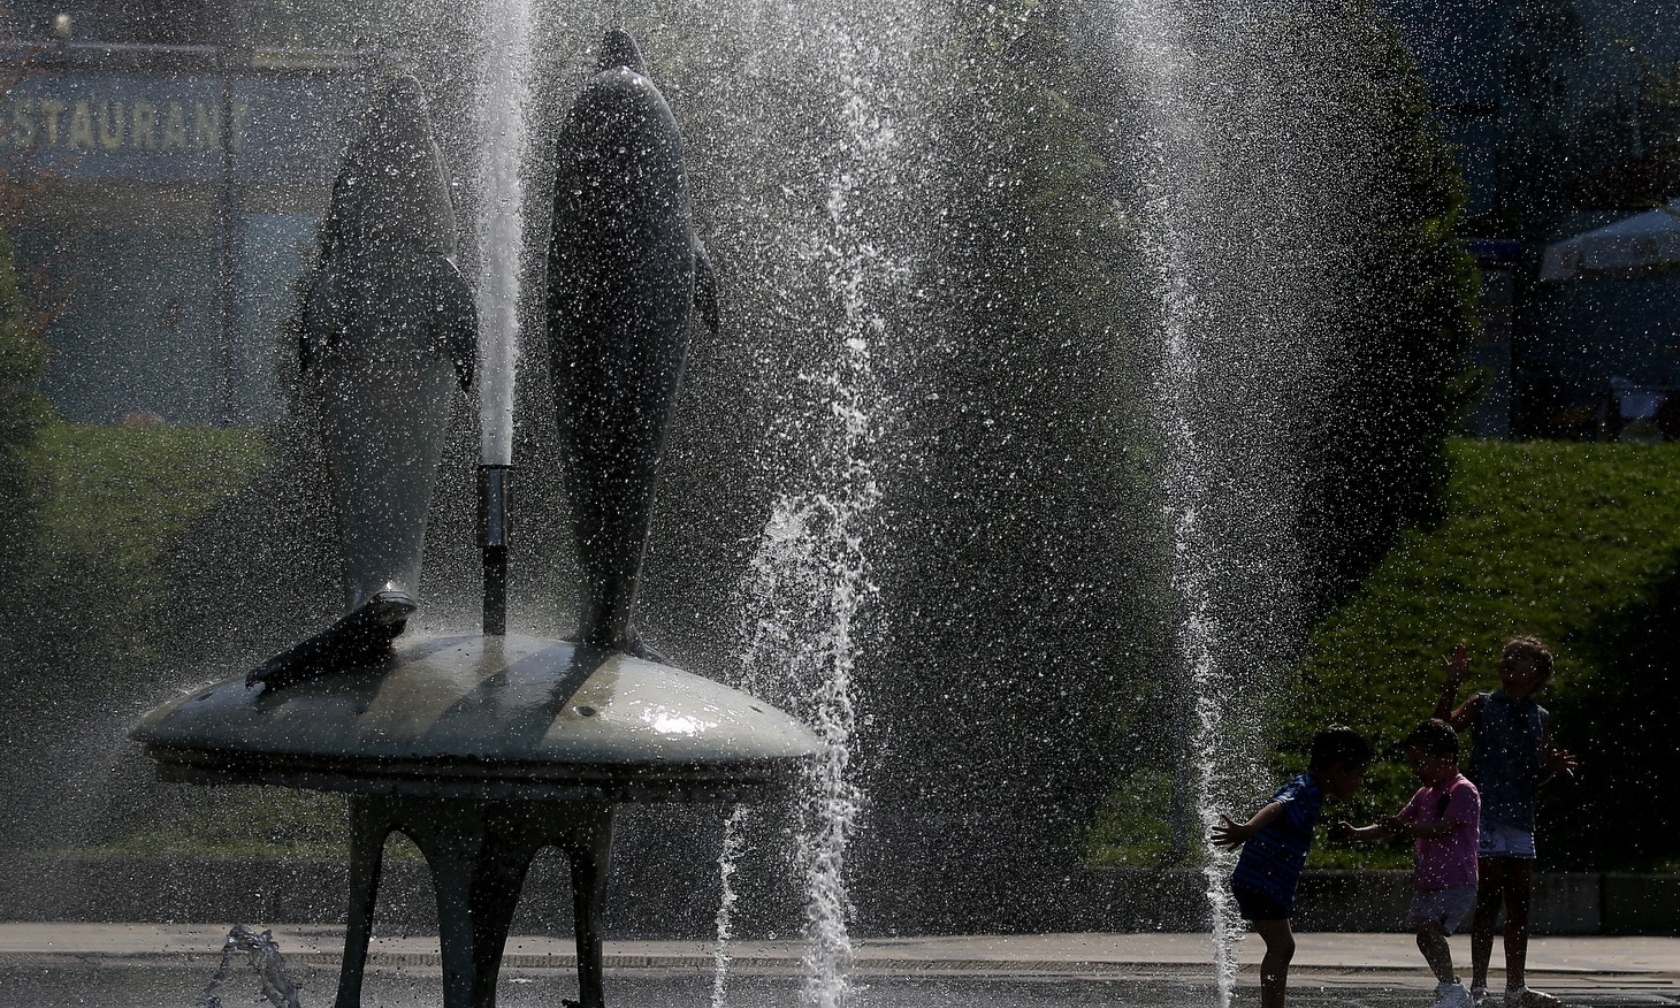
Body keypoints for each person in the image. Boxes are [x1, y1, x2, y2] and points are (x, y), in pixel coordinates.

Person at [1436, 638, 1578, 1008]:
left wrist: (1549, 769)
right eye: (1507, 655)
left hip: (1520, 821)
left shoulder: (1539, 717)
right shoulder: (1483, 704)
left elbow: (1532, 778)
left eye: (1521, 658)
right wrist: (1452, 682)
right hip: (1485, 818)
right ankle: (1481, 985)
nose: (1509, 660)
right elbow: (1439, 733)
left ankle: (1516, 986)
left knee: (1519, 904)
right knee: (1487, 902)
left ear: (1537, 676)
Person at [1213, 725, 1374, 1008]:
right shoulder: (1305, 790)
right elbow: (1279, 806)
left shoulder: (1307, 786)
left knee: (1281, 947)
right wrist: (1247, 829)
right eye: (1359, 774)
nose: (1360, 782)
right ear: (1338, 770)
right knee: (1282, 947)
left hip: (1266, 882)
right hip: (1261, 881)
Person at [1334, 720, 1481, 1008]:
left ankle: (1453, 990)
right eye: (1413, 763)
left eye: (1421, 763)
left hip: (1456, 880)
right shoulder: (1425, 793)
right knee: (1424, 937)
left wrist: (1404, 828)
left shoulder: (1463, 791)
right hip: (1429, 880)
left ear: (1446, 759)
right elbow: (1395, 825)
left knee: (1428, 927)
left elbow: (1442, 828)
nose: (1416, 770)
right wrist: (1356, 834)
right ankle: (1450, 987)